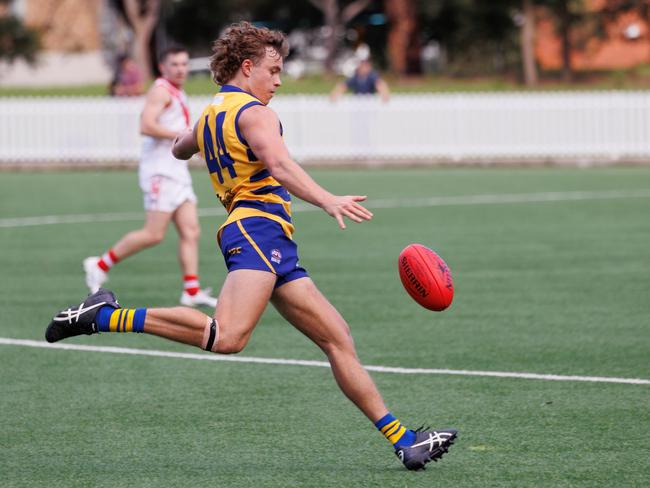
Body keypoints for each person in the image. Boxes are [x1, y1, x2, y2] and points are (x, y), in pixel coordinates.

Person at [47, 22, 456, 471]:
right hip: (258, 230)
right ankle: (102, 315)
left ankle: (405, 442)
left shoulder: (211, 114)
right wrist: (326, 199)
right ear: (247, 66)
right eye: (273, 70)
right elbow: (279, 163)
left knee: (337, 338)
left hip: (266, 237)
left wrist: (208, 138)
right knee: (227, 337)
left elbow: (181, 149)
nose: (278, 81)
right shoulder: (256, 113)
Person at [85, 45, 217, 307]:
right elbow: (146, 125)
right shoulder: (160, 91)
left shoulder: (177, 91)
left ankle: (191, 291)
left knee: (191, 230)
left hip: (176, 171)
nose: (181, 69)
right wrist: (183, 137)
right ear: (162, 67)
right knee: (154, 233)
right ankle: (99, 264)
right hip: (160, 172)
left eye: (184, 64)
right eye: (175, 64)